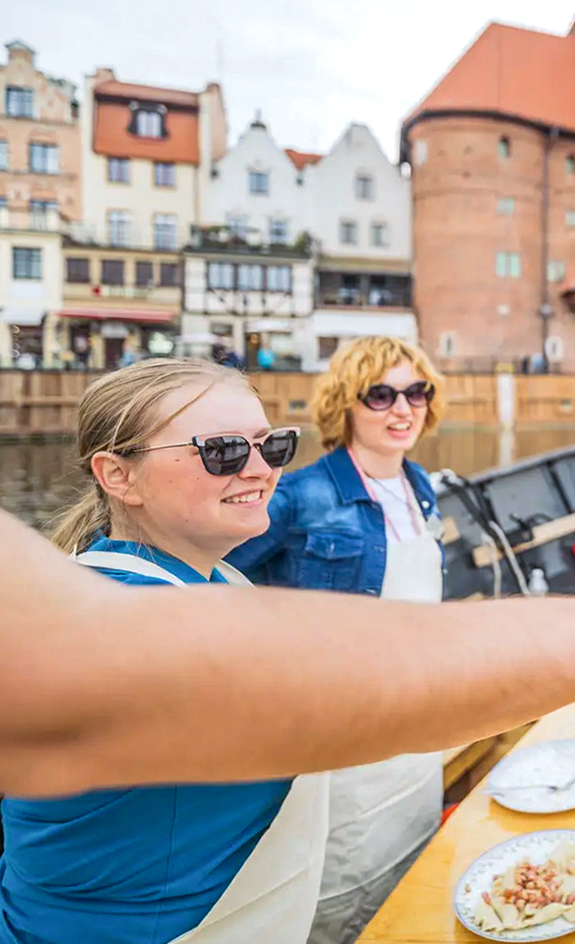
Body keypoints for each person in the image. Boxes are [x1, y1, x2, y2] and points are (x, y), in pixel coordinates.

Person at [0, 358, 325, 944]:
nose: (260, 470)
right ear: (118, 475)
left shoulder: (212, 582)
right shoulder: (116, 624)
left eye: (272, 445)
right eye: (223, 451)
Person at [226, 337, 445, 944]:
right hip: (343, 741)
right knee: (336, 894)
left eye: (416, 392)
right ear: (347, 405)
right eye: (381, 394)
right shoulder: (300, 495)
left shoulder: (420, 486)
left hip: (419, 731)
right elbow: (216, 581)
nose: (403, 409)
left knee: (408, 876)